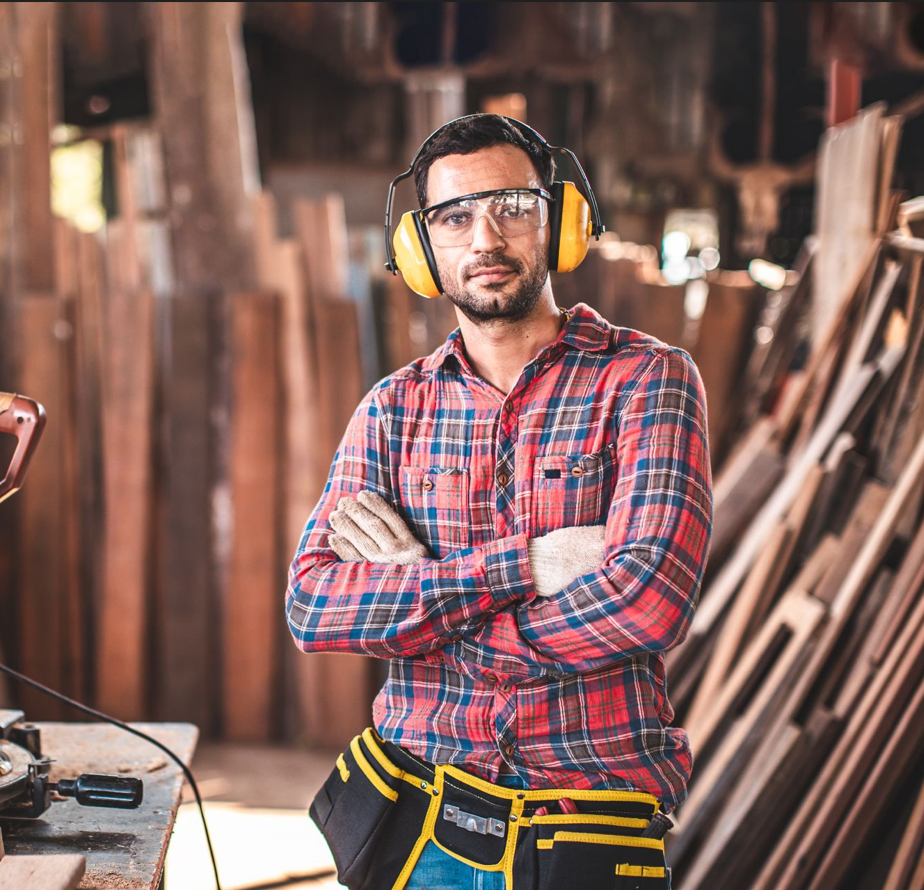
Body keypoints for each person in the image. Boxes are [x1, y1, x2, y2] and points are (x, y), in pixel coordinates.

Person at [286, 114, 713, 890]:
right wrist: (532, 564)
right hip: (416, 807)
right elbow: (314, 607)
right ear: (421, 249)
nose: (484, 236)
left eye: (511, 206)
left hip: (588, 808)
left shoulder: (647, 380)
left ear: (563, 222)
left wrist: (421, 593)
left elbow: (647, 602)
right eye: (453, 216)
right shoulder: (393, 408)